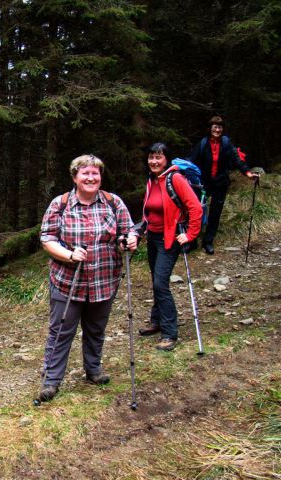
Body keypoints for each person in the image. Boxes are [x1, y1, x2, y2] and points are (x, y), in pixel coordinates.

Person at [37, 155, 137, 402]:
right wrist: (70, 255)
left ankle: (93, 370)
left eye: (95, 173)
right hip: (68, 282)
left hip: (104, 280)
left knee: (96, 329)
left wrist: (130, 240)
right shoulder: (60, 204)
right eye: (85, 174)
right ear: (75, 177)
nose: (91, 178)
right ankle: (51, 381)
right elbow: (47, 239)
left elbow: (128, 231)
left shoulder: (113, 203)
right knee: (60, 331)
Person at [137, 143, 203, 351]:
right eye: (151, 157)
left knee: (160, 283)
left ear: (166, 159)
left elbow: (195, 207)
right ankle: (156, 321)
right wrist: (142, 227)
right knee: (155, 279)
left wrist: (190, 234)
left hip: (170, 238)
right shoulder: (151, 179)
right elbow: (148, 208)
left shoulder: (175, 179)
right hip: (153, 236)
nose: (154, 161)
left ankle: (169, 333)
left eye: (158, 157)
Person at [188, 115, 259, 254]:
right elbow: (192, 160)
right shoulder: (203, 143)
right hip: (204, 183)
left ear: (222, 129)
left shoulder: (226, 144)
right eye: (215, 127)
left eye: (220, 127)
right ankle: (192, 241)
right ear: (210, 128)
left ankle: (208, 242)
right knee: (196, 210)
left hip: (221, 183)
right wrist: (179, 170)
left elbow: (237, 159)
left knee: (215, 213)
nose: (217, 130)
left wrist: (248, 173)